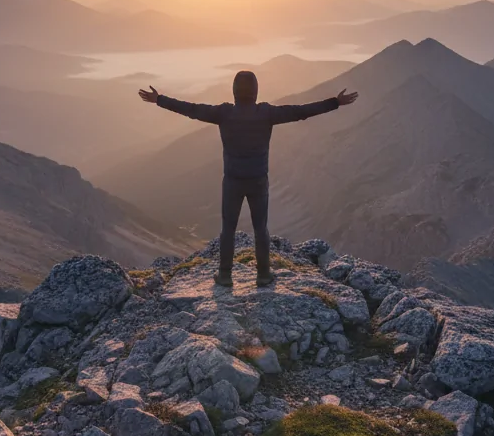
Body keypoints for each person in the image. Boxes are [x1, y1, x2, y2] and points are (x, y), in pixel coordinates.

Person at [139, 71, 358, 287]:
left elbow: (191, 110)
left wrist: (160, 99)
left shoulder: (224, 113)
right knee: (260, 228)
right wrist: (335, 102)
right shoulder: (266, 113)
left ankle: (225, 275)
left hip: (232, 180)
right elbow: (300, 111)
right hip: (258, 180)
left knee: (228, 228)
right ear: (255, 91)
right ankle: (263, 274)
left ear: (234, 91)